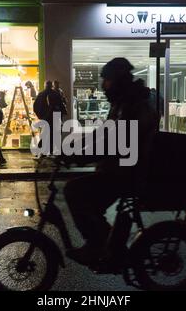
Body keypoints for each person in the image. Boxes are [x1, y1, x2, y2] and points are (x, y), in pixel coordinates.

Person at [63, 58, 159, 265]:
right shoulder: (124, 102)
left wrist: (79, 155)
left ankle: (98, 246)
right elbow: (104, 135)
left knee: (73, 191)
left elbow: (117, 143)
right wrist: (72, 146)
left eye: (106, 80)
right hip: (119, 169)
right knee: (90, 204)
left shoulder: (133, 106)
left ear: (118, 80)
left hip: (127, 173)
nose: (103, 84)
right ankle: (110, 248)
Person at [34, 80, 67, 154]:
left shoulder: (41, 94)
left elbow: (35, 106)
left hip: (45, 118)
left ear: (45, 85)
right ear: (51, 85)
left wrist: (40, 116)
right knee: (53, 134)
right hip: (54, 118)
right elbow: (61, 106)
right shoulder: (55, 94)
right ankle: (49, 151)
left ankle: (42, 150)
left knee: (46, 133)